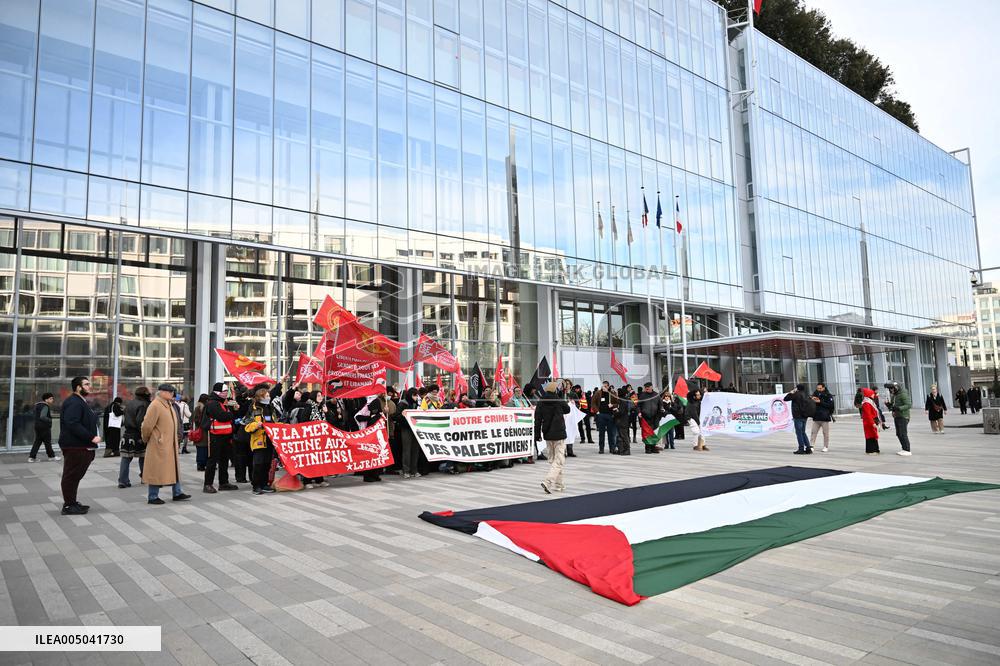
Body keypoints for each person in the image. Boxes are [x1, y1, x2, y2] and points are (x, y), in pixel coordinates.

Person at [141, 384, 191, 504]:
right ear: (162, 392)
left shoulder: (169, 405)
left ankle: (177, 492)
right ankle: (152, 496)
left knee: (173, 469)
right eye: (170, 391)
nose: (172, 394)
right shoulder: (155, 405)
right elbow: (146, 426)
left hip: (170, 443)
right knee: (156, 470)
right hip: (159, 444)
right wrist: (148, 439)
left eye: (172, 391)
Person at [58, 377, 100, 515]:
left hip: (81, 446)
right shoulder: (74, 402)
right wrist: (91, 437)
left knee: (75, 476)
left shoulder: (79, 402)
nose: (90, 386)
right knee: (71, 476)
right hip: (75, 446)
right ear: (78, 387)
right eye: (86, 384)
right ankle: (69, 505)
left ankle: (72, 502)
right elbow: (72, 423)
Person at [242, 384, 279, 495]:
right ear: (260, 397)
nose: (268, 397)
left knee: (267, 464)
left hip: (269, 440)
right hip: (258, 440)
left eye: (269, 395)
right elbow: (247, 425)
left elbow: (275, 422)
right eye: (266, 395)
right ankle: (256, 486)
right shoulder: (253, 408)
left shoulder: (270, 408)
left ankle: (264, 484)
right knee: (258, 464)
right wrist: (256, 425)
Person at [203, 383, 239, 494]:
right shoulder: (212, 403)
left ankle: (223, 482)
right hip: (215, 435)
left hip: (225, 435)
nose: (225, 393)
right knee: (212, 460)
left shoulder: (223, 402)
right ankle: (208, 484)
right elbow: (222, 416)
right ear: (218, 392)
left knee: (224, 459)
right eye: (224, 391)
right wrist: (231, 413)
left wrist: (232, 410)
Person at [537, 382, 571, 494]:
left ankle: (559, 485)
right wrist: (560, 397)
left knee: (553, 460)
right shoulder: (558, 400)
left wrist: (537, 435)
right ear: (555, 390)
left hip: (547, 434)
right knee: (559, 460)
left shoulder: (541, 402)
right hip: (559, 433)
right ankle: (548, 482)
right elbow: (567, 409)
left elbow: (537, 420)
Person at [120, 387, 151, 488]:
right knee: (143, 457)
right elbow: (140, 421)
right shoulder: (144, 404)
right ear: (145, 394)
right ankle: (145, 477)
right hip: (137, 434)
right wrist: (144, 435)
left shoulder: (129, 403)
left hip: (127, 434)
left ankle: (123, 481)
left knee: (126, 458)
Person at [397, 388, 422, 479]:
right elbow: (397, 416)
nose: (416, 397)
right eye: (414, 395)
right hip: (406, 429)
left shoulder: (416, 404)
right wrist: (403, 416)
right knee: (407, 450)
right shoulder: (402, 404)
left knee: (415, 450)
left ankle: (414, 470)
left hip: (415, 429)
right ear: (410, 395)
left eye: (417, 395)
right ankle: (406, 470)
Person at [784, 383, 815, 454]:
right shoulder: (806, 395)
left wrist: (791, 393)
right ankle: (808, 448)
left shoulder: (796, 394)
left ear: (797, 388)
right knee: (803, 432)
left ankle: (801, 448)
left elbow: (785, 399)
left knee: (799, 433)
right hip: (805, 416)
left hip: (798, 416)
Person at [884, 381, 912, 456]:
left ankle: (907, 450)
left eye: (892, 388)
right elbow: (893, 406)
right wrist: (888, 405)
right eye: (890, 389)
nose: (891, 390)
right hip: (897, 416)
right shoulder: (894, 395)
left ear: (896, 387)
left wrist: (899, 408)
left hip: (903, 416)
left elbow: (908, 405)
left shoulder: (903, 394)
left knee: (903, 433)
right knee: (899, 433)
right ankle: (904, 448)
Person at [29, 393, 59, 462]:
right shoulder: (45, 406)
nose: (52, 400)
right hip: (44, 427)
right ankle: (51, 457)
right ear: (46, 399)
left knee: (38, 442)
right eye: (51, 398)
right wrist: (50, 420)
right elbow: (42, 416)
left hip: (38, 426)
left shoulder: (38, 405)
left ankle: (31, 457)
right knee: (47, 442)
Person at [637, 382, 664, 454]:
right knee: (647, 433)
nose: (647, 388)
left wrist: (661, 409)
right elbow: (638, 405)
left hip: (655, 417)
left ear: (651, 387)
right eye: (645, 387)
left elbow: (660, 404)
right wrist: (639, 412)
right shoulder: (642, 395)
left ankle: (653, 447)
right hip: (645, 417)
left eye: (648, 387)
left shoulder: (656, 395)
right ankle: (648, 448)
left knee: (654, 432)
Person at [809, 383, 835, 452]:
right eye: (818, 388)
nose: (819, 390)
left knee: (825, 433)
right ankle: (811, 446)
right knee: (813, 432)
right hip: (816, 417)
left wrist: (820, 402)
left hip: (825, 417)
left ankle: (825, 446)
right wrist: (812, 399)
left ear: (823, 388)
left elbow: (831, 406)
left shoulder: (828, 395)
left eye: (820, 388)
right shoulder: (815, 394)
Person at [594, 382, 618, 454]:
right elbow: (593, 402)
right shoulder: (598, 393)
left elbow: (617, 403)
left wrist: (613, 405)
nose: (603, 387)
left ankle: (612, 448)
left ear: (608, 387)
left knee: (611, 433)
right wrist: (597, 412)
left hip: (610, 415)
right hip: (601, 415)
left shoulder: (612, 393)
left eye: (605, 386)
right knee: (601, 433)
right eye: (602, 386)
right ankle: (601, 448)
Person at [191, 394, 210, 471]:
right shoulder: (204, 408)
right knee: (204, 449)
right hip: (203, 432)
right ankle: (202, 464)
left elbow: (194, 419)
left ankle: (200, 464)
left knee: (200, 449)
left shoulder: (197, 408)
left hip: (199, 431)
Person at [861, 387, 880, 455]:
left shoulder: (869, 401)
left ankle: (875, 449)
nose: (873, 395)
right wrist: (872, 423)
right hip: (869, 422)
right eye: (872, 394)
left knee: (873, 435)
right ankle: (871, 450)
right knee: (870, 436)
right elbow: (868, 414)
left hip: (871, 421)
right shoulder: (866, 403)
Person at [614, 387, 633, 455]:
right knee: (620, 436)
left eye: (617, 392)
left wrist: (615, 412)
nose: (616, 393)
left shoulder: (623, 401)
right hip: (622, 421)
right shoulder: (623, 400)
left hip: (622, 421)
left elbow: (621, 412)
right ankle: (621, 449)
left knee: (624, 436)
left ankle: (627, 450)